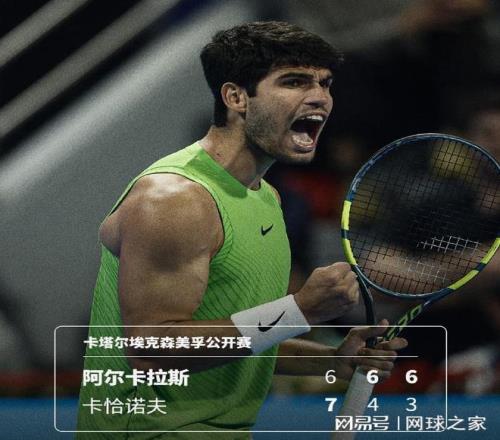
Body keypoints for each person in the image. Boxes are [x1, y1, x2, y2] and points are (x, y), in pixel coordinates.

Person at [77, 21, 407, 438]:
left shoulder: (266, 197)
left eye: (325, 84)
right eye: (294, 82)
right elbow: (152, 348)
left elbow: (233, 336)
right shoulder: (175, 199)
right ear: (236, 97)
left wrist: (329, 360)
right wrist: (299, 311)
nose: (319, 98)